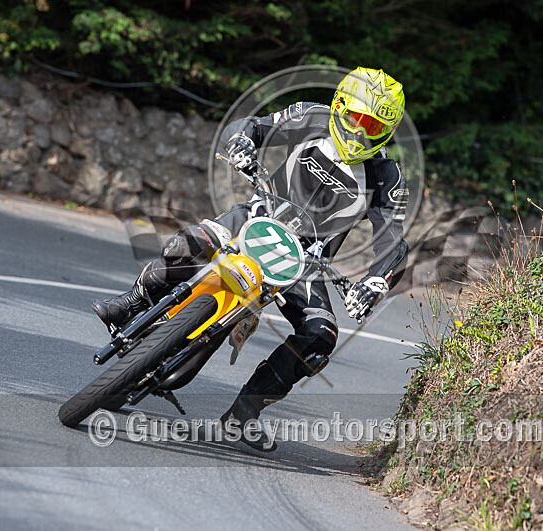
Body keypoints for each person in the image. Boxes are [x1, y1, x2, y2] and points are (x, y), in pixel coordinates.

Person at [92, 67, 409, 451]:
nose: (360, 132)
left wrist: (376, 282)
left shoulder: (386, 176)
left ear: (387, 133)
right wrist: (242, 140)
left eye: (373, 127)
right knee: (185, 245)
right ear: (339, 106)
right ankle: (132, 303)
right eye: (357, 118)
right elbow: (252, 126)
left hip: (305, 262)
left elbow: (392, 241)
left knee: (320, 336)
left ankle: (244, 414)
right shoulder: (311, 116)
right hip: (257, 217)